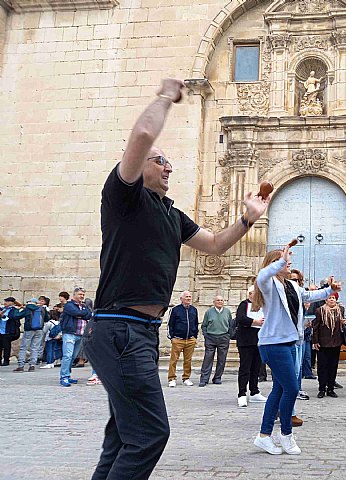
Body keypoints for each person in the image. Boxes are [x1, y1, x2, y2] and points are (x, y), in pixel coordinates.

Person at [83, 78, 270, 480]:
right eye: (159, 161)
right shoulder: (123, 197)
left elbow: (217, 244)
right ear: (136, 165)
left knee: (122, 435)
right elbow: (144, 133)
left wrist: (248, 219)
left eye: (169, 162)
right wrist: (167, 96)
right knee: (150, 433)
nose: (168, 166)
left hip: (142, 332)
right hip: (119, 330)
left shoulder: (171, 214)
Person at [252, 245, 340, 455]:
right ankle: (286, 434)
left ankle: (264, 436)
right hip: (273, 343)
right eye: (284, 260)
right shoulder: (267, 283)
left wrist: (331, 289)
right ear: (275, 264)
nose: (289, 262)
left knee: (280, 389)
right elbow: (262, 274)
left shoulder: (291, 285)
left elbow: (310, 296)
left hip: (291, 342)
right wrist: (280, 261)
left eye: (289, 260)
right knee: (292, 388)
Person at [235, 286, 267, 407]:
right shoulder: (244, 304)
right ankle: (242, 393)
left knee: (256, 367)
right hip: (246, 341)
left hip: (259, 341)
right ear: (249, 294)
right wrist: (255, 322)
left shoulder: (263, 305)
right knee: (245, 368)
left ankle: (254, 391)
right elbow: (241, 318)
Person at [312, 292, 346, 398]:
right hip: (323, 342)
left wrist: (343, 322)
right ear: (326, 300)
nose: (332, 300)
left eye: (333, 298)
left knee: (333, 366)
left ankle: (330, 388)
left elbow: (341, 324)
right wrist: (315, 341)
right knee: (322, 366)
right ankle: (322, 388)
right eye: (329, 298)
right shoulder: (319, 311)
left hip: (336, 342)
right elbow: (315, 327)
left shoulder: (340, 310)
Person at [59, 288, 92, 386]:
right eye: (80, 294)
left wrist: (81, 315)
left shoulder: (84, 306)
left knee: (73, 356)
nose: (82, 296)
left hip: (80, 334)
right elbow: (76, 313)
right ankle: (63, 377)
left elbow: (89, 315)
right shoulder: (69, 305)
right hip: (70, 333)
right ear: (74, 295)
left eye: (83, 295)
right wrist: (81, 314)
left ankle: (68, 375)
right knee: (67, 356)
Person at [167, 291, 199, 387]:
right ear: (181, 299)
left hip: (190, 339)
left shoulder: (194, 310)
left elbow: (196, 323)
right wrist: (172, 337)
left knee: (188, 360)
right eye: (186, 297)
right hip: (178, 339)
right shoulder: (175, 310)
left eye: (189, 297)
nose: (188, 298)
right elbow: (170, 324)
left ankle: (186, 378)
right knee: (174, 360)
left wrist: (195, 336)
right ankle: (171, 378)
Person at [199, 295, 232, 386]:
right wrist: (206, 334)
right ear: (214, 302)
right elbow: (204, 325)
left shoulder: (227, 312)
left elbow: (230, 325)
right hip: (211, 337)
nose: (220, 302)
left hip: (223, 337)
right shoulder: (209, 312)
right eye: (218, 300)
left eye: (222, 300)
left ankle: (217, 378)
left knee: (222, 359)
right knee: (208, 358)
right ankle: (204, 379)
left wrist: (228, 335)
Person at [0, 297, 22, 366]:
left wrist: (3, 316)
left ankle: (6, 360)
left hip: (8, 330)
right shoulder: (3, 309)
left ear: (12, 303)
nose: (5, 303)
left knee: (6, 346)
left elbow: (12, 317)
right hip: (1, 330)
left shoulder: (14, 310)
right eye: (5, 301)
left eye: (7, 301)